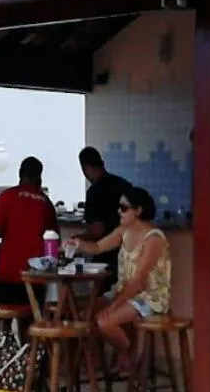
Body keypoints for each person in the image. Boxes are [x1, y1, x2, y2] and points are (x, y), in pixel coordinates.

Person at [70, 185, 171, 375]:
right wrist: (78, 243)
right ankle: (108, 360)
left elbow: (138, 281)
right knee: (86, 316)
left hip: (150, 297)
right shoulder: (124, 230)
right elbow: (99, 247)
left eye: (124, 208)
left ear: (138, 211)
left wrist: (114, 305)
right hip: (124, 291)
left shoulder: (153, 238)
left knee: (106, 321)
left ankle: (130, 356)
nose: (119, 211)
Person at [0, 156, 59, 306]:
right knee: (32, 316)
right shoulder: (45, 203)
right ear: (39, 176)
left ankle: (5, 330)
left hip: (8, 269)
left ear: (20, 174)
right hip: (35, 272)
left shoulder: (7, 196)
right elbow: (54, 237)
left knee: (5, 313)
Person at [79, 146, 129, 279]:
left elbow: (97, 231)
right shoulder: (124, 185)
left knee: (103, 296)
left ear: (87, 168)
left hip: (106, 258)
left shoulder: (95, 192)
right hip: (128, 253)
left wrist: (75, 240)